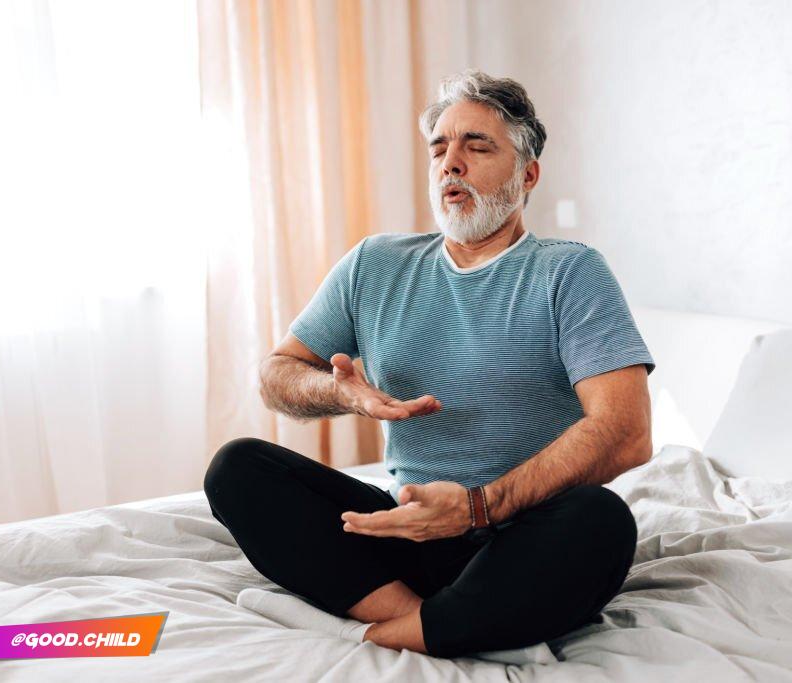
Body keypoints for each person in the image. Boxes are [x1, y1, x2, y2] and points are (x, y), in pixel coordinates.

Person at [203, 69, 656, 659]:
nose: (451, 163)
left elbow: (628, 432)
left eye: (477, 145)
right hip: (405, 531)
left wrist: (476, 507)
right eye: (439, 148)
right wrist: (345, 395)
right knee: (238, 468)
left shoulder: (569, 272)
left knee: (603, 520)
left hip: (517, 536)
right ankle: (420, 622)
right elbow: (276, 374)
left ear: (527, 174)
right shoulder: (376, 263)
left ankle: (386, 632)